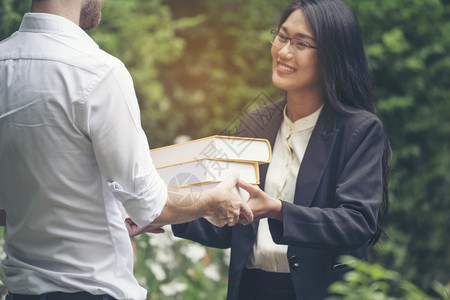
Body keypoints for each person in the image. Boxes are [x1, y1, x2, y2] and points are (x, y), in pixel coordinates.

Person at [0, 0, 252, 299]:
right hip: (93, 291)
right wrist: (213, 201)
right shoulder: (98, 72)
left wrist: (106, 216)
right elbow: (149, 205)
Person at [172, 0, 391, 299]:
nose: (284, 51)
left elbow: (357, 222)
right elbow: (229, 226)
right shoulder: (256, 122)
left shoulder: (359, 130)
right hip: (251, 289)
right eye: (282, 37)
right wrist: (162, 213)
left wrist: (278, 211)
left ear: (332, 55)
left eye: (302, 43)